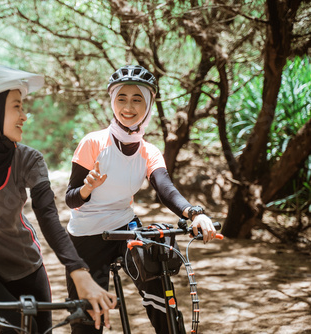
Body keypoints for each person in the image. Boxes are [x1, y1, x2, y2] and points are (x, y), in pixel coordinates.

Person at [0, 64, 117, 333]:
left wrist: (80, 273)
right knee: (16, 331)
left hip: (26, 267)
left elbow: (48, 217)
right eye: (17, 106)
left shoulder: (29, 158)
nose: (25, 116)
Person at [65, 65, 217, 334]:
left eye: (137, 99)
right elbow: (71, 200)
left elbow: (166, 189)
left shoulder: (149, 151)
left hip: (125, 227)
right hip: (86, 235)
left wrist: (194, 214)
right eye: (121, 98)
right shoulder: (94, 143)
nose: (129, 106)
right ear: (113, 102)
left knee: (160, 290)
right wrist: (87, 188)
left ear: (148, 104)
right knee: (88, 320)